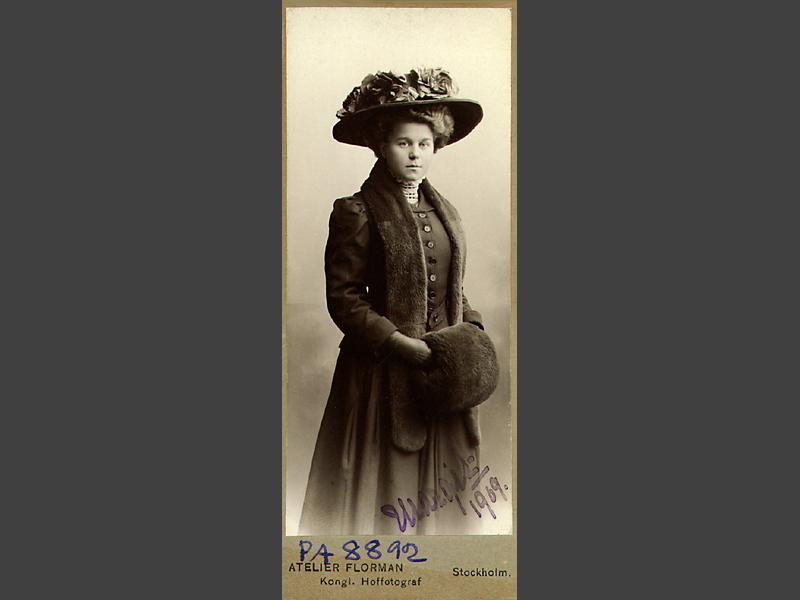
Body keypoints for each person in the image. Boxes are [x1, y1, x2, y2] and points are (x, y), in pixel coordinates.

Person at [299, 68, 488, 535]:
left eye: (424, 143)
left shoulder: (444, 211)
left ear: (436, 145)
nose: (415, 154)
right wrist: (401, 344)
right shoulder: (356, 211)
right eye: (404, 143)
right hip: (381, 376)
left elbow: (452, 286)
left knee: (446, 505)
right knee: (384, 495)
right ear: (382, 145)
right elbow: (344, 300)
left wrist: (471, 331)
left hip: (441, 374)